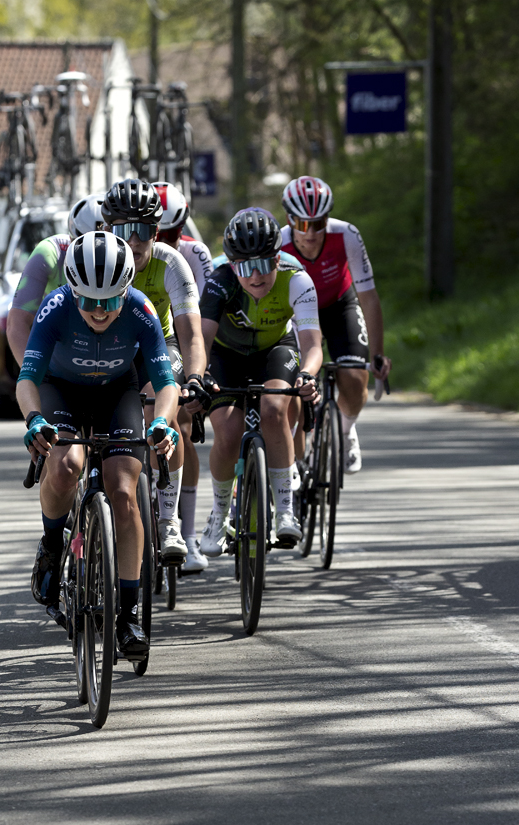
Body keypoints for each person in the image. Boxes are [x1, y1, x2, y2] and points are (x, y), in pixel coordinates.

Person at [16, 230, 179, 661]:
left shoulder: (142, 311)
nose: (99, 310)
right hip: (61, 390)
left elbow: (166, 383)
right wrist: (35, 420)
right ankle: (52, 545)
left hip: (116, 392)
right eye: (88, 300)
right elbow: (27, 380)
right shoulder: (55, 308)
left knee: (124, 490)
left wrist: (162, 420)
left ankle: (127, 614)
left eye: (110, 301)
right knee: (65, 464)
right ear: (72, 289)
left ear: (126, 289)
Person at [199, 210, 322, 552]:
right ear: (232, 264)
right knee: (227, 430)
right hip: (226, 355)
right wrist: (197, 376)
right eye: (244, 266)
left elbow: (312, 343)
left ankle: (284, 510)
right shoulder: (219, 281)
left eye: (264, 265)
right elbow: (202, 340)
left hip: (275, 350)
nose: (255, 277)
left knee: (273, 409)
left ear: (278, 258)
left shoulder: (297, 279)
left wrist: (308, 374)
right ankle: (219, 515)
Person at [101, 179, 208, 567]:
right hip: (106, 351)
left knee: (161, 411)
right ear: (105, 230)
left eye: (142, 231)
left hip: (158, 346)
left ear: (156, 232)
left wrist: (194, 377)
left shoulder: (170, 262)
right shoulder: (93, 258)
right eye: (122, 230)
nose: (133, 242)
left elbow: (192, 334)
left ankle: (167, 520)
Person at [279, 175, 391, 472]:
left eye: (319, 223)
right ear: (290, 220)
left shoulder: (347, 235)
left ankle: (344, 430)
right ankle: (300, 452)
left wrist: (378, 353)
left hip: (339, 305)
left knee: (355, 380)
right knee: (295, 386)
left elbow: (368, 296)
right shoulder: (279, 245)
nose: (312, 232)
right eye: (303, 224)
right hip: (296, 313)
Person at [152, 181, 214, 572]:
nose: (167, 242)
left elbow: (204, 323)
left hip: (177, 338)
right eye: (160, 234)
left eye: (174, 234)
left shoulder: (194, 254)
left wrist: (198, 376)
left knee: (183, 425)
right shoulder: (131, 252)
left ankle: (186, 534)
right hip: (137, 338)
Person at [6, 193, 105, 366]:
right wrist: (33, 375)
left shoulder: (130, 256)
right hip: (61, 348)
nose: (94, 256)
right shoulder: (50, 252)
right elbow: (17, 323)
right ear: (71, 239)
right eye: (84, 247)